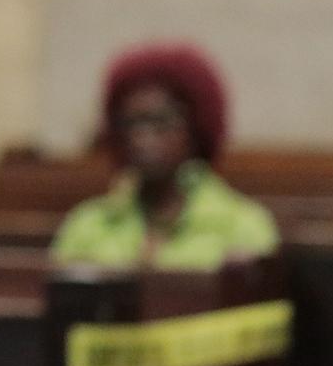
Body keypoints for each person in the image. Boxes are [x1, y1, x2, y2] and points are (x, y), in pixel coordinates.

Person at [50, 42, 278, 271]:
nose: (142, 137)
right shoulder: (88, 225)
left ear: (195, 127)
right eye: (131, 123)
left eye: (161, 121)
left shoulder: (242, 226)